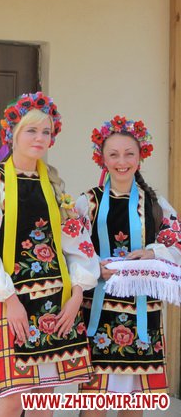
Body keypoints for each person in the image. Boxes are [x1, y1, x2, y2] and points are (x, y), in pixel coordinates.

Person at [0, 92, 100, 417]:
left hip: (57, 298)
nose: (40, 138)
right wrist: (8, 300)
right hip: (11, 297)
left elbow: (77, 243)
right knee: (15, 396)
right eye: (31, 130)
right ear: (12, 134)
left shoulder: (53, 184)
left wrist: (77, 294)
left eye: (46, 132)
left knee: (44, 395)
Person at [76, 117, 180, 415]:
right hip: (98, 311)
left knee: (134, 403)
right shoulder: (87, 202)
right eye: (113, 154)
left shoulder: (156, 204)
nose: (122, 162)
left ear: (140, 156)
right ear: (102, 159)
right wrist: (94, 266)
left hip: (143, 312)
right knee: (94, 402)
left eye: (129, 154)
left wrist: (152, 252)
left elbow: (176, 244)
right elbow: (71, 249)